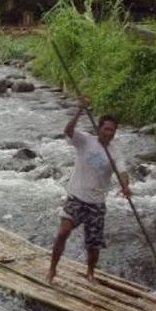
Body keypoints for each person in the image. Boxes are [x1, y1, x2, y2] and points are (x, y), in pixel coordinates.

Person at [46, 97, 131, 283]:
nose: (109, 133)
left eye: (113, 130)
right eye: (106, 129)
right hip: (76, 197)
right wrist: (79, 111)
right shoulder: (85, 141)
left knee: (93, 245)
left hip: (96, 203)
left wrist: (125, 186)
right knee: (62, 233)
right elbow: (68, 131)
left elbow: (122, 171)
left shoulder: (115, 152)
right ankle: (52, 269)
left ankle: (90, 273)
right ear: (99, 128)